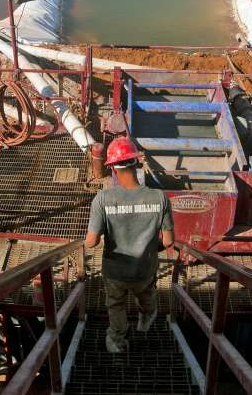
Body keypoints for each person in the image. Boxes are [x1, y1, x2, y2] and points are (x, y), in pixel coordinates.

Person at [85, 136, 174, 354]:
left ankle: (117, 342)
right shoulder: (159, 197)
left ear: (113, 168)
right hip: (144, 269)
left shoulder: (102, 200)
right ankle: (146, 317)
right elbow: (169, 241)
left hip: (115, 271)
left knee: (115, 305)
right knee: (146, 297)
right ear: (136, 163)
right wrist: (151, 249)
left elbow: (92, 242)